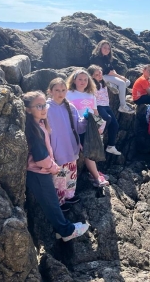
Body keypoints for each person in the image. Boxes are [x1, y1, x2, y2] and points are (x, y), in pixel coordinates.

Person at [23, 91, 89, 241]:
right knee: (52, 204)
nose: (43, 109)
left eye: (44, 105)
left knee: (51, 202)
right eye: (38, 106)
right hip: (38, 172)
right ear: (28, 109)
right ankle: (66, 232)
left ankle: (62, 229)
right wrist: (54, 168)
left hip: (42, 170)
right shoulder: (34, 129)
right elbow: (40, 157)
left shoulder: (39, 124)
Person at [46, 78, 86, 212]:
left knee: (71, 176)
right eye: (57, 90)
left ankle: (69, 196)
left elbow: (79, 127)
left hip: (71, 148)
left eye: (63, 90)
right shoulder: (46, 108)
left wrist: (88, 119)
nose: (60, 93)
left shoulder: (71, 107)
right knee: (59, 179)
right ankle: (59, 202)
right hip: (57, 151)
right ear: (50, 91)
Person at [66, 69, 110, 187]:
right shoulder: (68, 94)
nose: (83, 81)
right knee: (88, 152)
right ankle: (96, 178)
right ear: (74, 80)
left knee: (93, 151)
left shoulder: (91, 94)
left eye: (85, 79)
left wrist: (100, 124)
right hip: (77, 128)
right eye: (80, 79)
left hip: (90, 128)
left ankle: (94, 173)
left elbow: (95, 111)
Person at [89, 40, 134, 113]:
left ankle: (113, 86)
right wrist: (120, 77)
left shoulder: (106, 58)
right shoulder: (96, 58)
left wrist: (117, 75)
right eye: (104, 48)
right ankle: (122, 106)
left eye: (108, 48)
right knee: (122, 83)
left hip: (108, 75)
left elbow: (112, 69)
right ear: (100, 48)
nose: (107, 50)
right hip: (100, 77)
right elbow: (107, 72)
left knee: (127, 82)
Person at [87, 65, 121, 156]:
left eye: (100, 73)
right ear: (92, 76)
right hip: (98, 106)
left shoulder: (103, 82)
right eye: (96, 74)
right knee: (106, 118)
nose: (99, 75)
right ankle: (98, 135)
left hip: (106, 105)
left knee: (115, 124)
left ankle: (111, 146)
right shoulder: (91, 85)